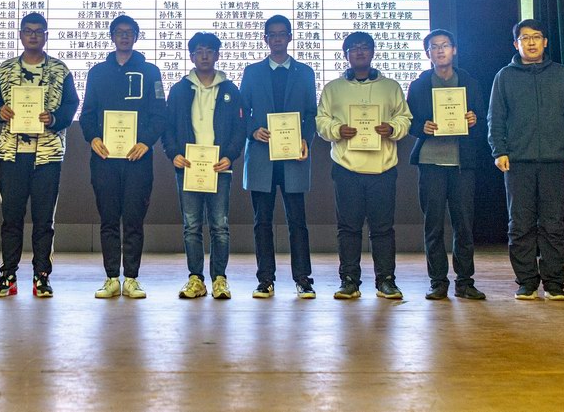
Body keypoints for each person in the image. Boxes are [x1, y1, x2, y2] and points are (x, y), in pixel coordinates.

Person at [488, 19, 564, 300]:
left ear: (545, 42)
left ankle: (554, 284)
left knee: (553, 224)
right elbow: (496, 118)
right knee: (520, 225)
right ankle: (526, 282)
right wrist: (499, 151)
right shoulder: (504, 76)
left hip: (554, 161)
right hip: (517, 162)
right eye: (525, 38)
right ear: (515, 44)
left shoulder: (561, 74)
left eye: (536, 37)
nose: (531, 42)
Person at [0, 13, 79, 298]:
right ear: (20, 35)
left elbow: (71, 105)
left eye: (39, 31)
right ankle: (8, 274)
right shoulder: (6, 69)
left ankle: (42, 275)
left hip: (47, 155)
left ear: (46, 36)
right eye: (28, 31)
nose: (33, 35)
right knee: (11, 218)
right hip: (12, 154)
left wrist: (54, 118)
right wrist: (0, 111)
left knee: (44, 220)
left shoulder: (60, 70)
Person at [316, 31, 411, 300]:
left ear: (373, 52)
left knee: (383, 229)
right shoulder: (333, 88)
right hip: (346, 168)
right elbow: (321, 121)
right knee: (348, 228)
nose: (359, 52)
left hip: (383, 169)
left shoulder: (391, 86)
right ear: (345, 54)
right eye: (354, 48)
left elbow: (405, 118)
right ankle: (349, 280)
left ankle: (386, 281)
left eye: (365, 47)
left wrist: (392, 128)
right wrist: (337, 130)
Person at [79, 15, 166, 299]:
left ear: (137, 37)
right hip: (104, 159)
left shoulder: (151, 72)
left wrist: (145, 142)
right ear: (112, 36)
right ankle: (111, 278)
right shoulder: (97, 73)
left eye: (130, 32)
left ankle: (131, 278)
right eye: (119, 32)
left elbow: (159, 115)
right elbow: (87, 113)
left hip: (137, 160)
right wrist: (93, 138)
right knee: (108, 219)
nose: (125, 36)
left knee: (133, 220)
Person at [163, 32, 246, 300]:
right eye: (199, 51)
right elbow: (168, 127)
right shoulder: (179, 90)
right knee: (191, 226)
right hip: (188, 167)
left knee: (220, 225)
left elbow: (240, 128)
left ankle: (220, 279)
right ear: (191, 56)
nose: (205, 56)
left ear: (217, 55)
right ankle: (196, 279)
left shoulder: (230, 90)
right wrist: (173, 154)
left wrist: (230, 155)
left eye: (210, 50)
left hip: (219, 168)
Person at [239, 15, 317, 299]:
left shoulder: (305, 72)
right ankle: (265, 279)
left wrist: (305, 139)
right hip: (262, 157)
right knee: (262, 222)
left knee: (298, 221)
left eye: (282, 33)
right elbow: (241, 112)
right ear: (265, 39)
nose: (277, 38)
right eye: (272, 34)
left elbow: (311, 113)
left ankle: (303, 279)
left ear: (290, 37)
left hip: (294, 157)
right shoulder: (252, 72)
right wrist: (252, 130)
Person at [406, 29, 486, 300]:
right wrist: (422, 127)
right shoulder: (419, 85)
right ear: (427, 53)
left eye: (445, 45)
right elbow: (409, 122)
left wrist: (474, 120)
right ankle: (438, 281)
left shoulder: (470, 82)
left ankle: (465, 281)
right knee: (434, 225)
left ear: (454, 50)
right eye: (434, 47)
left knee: (464, 225)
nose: (440, 50)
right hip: (430, 162)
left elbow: (482, 119)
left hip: (462, 163)